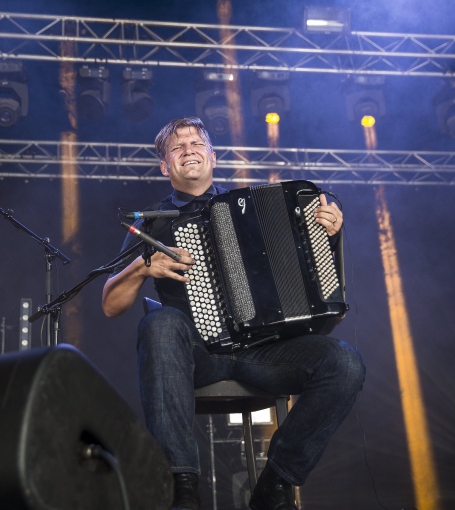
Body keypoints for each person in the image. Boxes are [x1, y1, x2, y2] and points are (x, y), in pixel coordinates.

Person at [102, 117, 365, 510]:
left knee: (344, 363)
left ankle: (275, 485)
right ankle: (181, 487)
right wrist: (143, 266)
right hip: (196, 355)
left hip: (264, 353)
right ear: (164, 166)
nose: (188, 150)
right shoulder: (151, 223)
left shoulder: (255, 208)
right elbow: (110, 304)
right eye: (177, 147)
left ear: (213, 156)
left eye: (196, 143)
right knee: (159, 322)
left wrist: (326, 231)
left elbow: (316, 278)